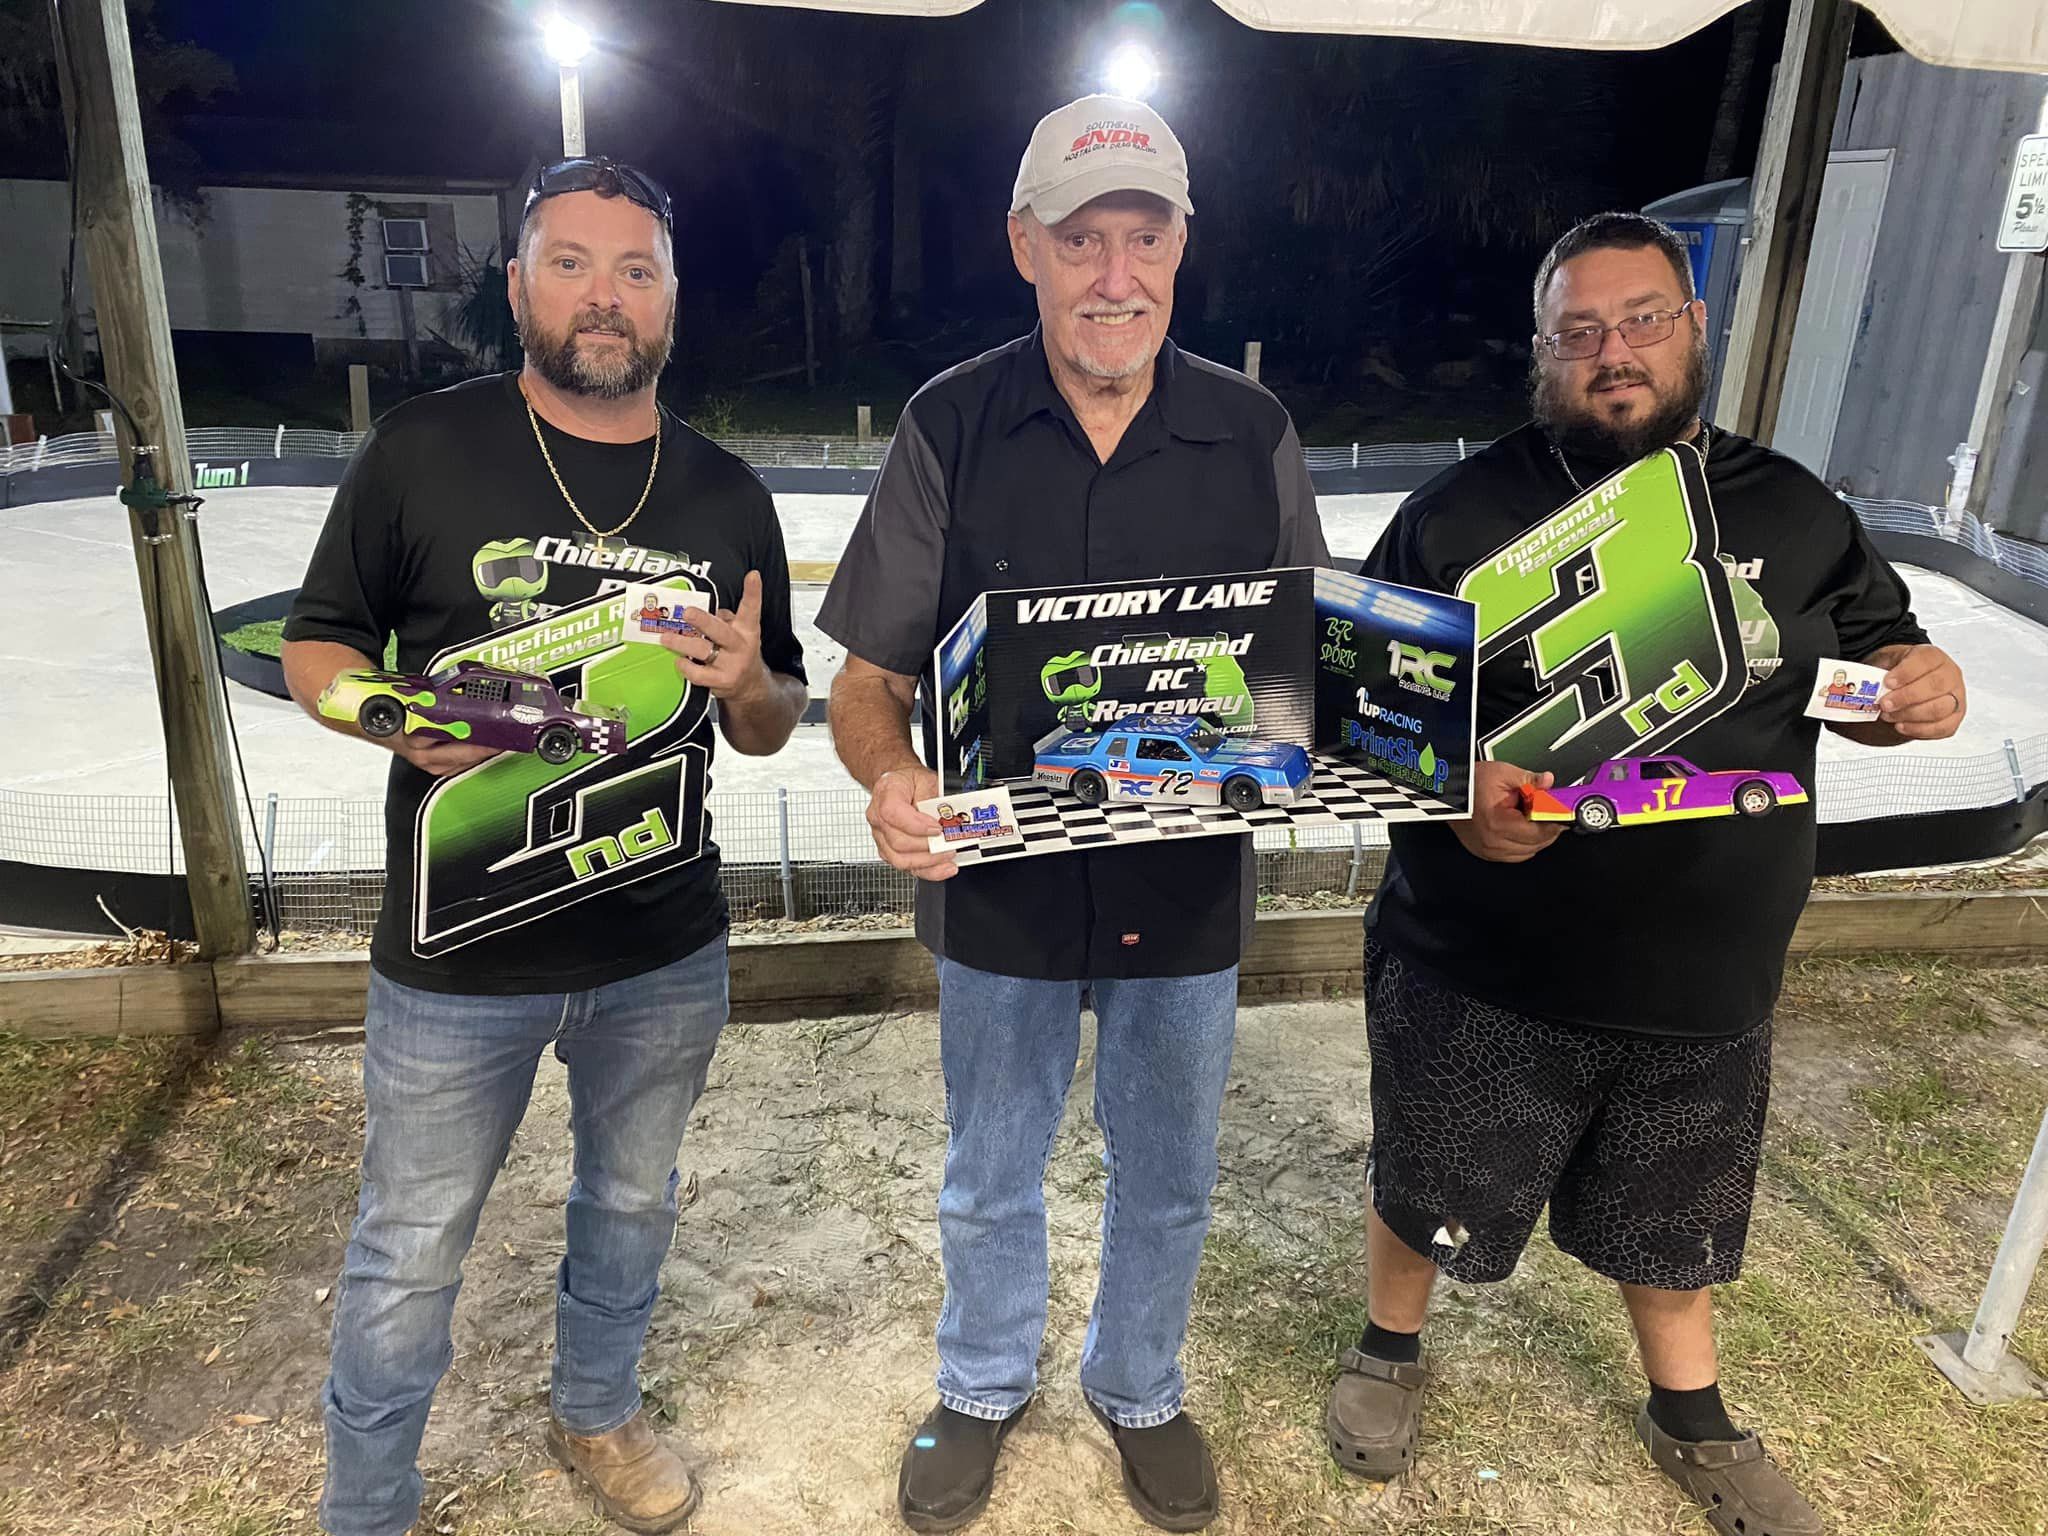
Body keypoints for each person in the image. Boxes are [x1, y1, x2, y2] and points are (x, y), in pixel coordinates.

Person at [1323, 211, 1967, 1536]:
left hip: (1708, 968)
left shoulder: (1794, 507)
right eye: (1579, 331)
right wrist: (1459, 794)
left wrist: (1914, 687)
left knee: (1678, 1220)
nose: (1612, 351)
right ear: (1542, 350)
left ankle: (1693, 1416)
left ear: (1694, 328)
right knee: (1427, 1187)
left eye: (1641, 321)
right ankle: (1389, 1351)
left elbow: (1869, 664)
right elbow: (1363, 714)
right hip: (1480, 961)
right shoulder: (1457, 514)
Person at [818, 95, 1329, 1533]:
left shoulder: (1252, 431)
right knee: (992, 1172)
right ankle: (981, 1383)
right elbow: (866, 681)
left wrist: (1342, 736)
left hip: (1187, 889)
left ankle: (1140, 1383)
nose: (1116, 275)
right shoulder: (948, 425)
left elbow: (1308, 664)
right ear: (1023, 248)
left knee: (1168, 1172)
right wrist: (891, 778)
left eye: (1144, 239)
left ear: (1182, 246)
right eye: (1082, 239)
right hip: (1000, 888)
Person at [281, 156, 808, 1536]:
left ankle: (597, 1411)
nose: (604, 295)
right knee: (410, 1249)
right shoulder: (423, 449)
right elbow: (315, 645)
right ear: (517, 286)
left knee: (631, 1202)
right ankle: (367, 1504)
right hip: (458, 953)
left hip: (662, 944)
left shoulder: (725, 493)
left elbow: (770, 722)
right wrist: (396, 716)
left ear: (672, 300)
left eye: (636, 269)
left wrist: (749, 682)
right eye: (571, 263)